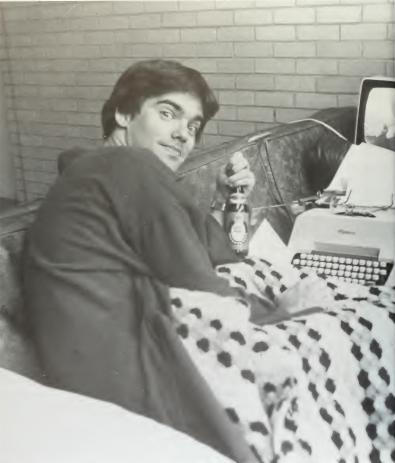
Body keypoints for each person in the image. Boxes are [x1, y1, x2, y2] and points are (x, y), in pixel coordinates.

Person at [23, 59, 259, 462]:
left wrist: (225, 202)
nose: (182, 135)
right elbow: (206, 284)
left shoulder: (92, 168)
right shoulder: (127, 164)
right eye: (168, 113)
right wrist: (288, 311)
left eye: (193, 127)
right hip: (137, 390)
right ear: (123, 113)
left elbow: (207, 254)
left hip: (97, 384)